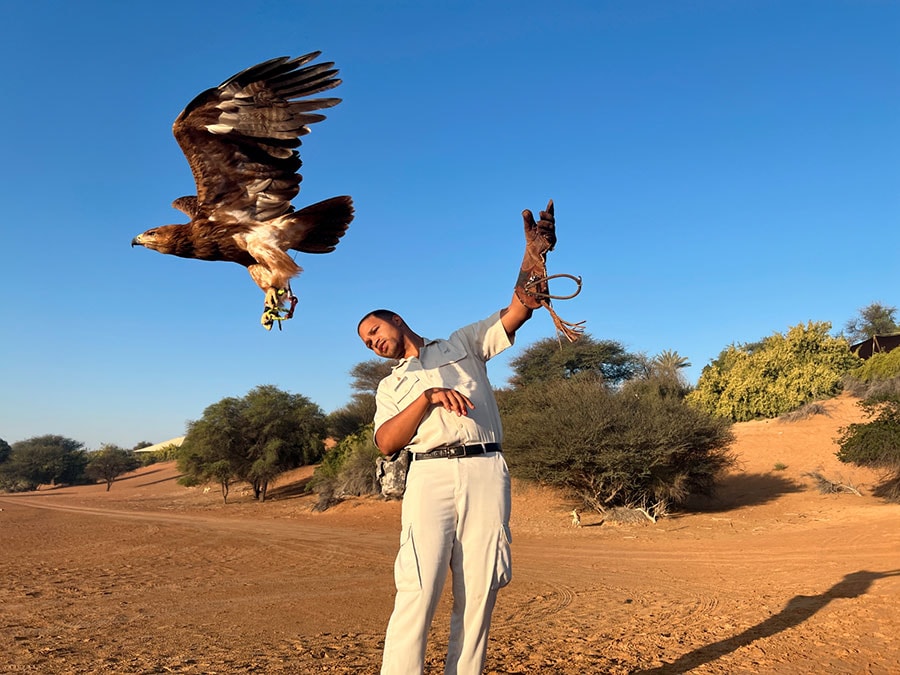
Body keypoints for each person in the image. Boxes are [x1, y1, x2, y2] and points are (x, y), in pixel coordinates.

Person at [356, 202, 558, 674]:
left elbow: (517, 312)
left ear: (396, 319)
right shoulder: (392, 386)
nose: (374, 341)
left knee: (480, 589)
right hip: (430, 477)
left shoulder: (461, 345)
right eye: (367, 342)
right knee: (418, 588)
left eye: (375, 330)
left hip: (488, 470)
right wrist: (426, 396)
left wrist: (534, 259)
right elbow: (386, 442)